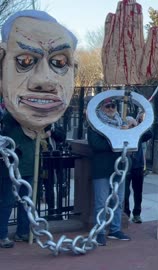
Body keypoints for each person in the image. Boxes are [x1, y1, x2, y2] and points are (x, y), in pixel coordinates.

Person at [0, 10, 77, 248]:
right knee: (5, 201)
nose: (45, 80)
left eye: (59, 63)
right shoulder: (7, 119)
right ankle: (2, 234)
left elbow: (61, 136)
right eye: (25, 61)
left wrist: (48, 129)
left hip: (32, 168)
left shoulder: (49, 120)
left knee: (28, 201)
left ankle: (25, 232)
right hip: (8, 168)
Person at [88, 98, 136, 246]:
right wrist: (117, 136)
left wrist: (135, 126)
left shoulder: (122, 124)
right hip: (102, 168)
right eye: (107, 106)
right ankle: (100, 231)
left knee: (118, 201)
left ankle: (115, 230)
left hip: (119, 168)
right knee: (101, 202)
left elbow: (138, 140)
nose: (110, 108)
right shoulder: (95, 125)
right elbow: (96, 145)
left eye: (113, 106)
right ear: (101, 108)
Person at [124, 112, 153, 224]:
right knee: (125, 192)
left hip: (138, 165)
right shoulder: (121, 134)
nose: (131, 128)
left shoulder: (139, 134)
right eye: (129, 125)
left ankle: (137, 213)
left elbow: (149, 133)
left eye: (132, 125)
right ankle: (126, 212)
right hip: (126, 166)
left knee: (138, 191)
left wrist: (138, 124)